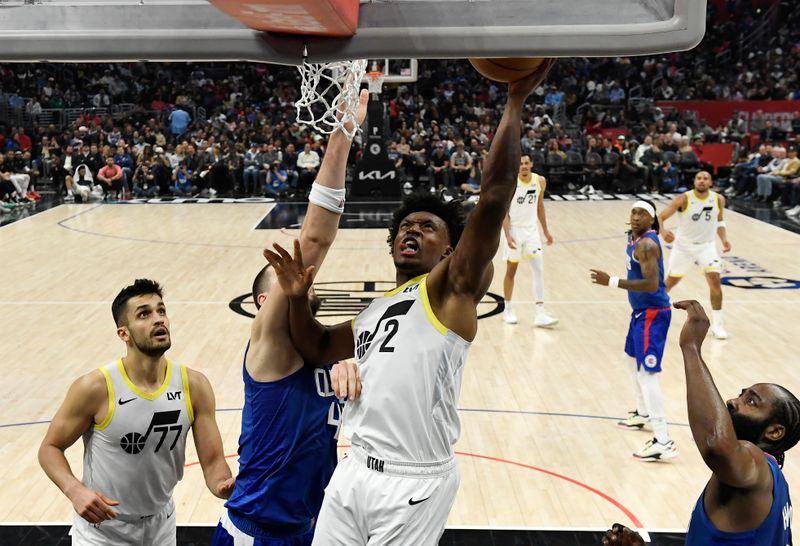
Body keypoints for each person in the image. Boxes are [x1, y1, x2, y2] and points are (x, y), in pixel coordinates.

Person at [263, 59, 556, 545]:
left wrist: (514, 103)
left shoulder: (452, 289)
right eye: (405, 226)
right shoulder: (376, 311)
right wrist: (296, 299)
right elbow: (316, 347)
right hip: (354, 466)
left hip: (414, 481)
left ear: (450, 249)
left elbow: (495, 194)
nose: (411, 231)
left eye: (427, 226)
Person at [212, 90, 368, 546]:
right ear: (265, 303)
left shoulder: (318, 348)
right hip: (256, 532)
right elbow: (315, 240)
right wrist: (343, 134)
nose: (305, 280)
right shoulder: (269, 346)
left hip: (311, 527)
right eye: (284, 281)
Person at [38, 279, 234, 545]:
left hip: (161, 526)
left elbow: (213, 464)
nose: (158, 319)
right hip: (102, 532)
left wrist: (225, 485)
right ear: (124, 333)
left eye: (161, 311)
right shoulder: (95, 388)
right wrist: (75, 490)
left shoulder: (194, 386)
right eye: (144, 314)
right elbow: (49, 448)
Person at [675, 300, 800, 544]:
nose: (732, 401)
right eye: (741, 394)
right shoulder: (773, 481)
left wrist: (691, 348)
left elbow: (716, 444)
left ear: (774, 432)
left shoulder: (754, 466)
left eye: (751, 402)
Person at [590, 199, 677, 461]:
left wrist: (612, 281)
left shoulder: (648, 245)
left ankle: (664, 441)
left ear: (653, 220)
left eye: (643, 213)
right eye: (634, 212)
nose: (637, 217)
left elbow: (651, 284)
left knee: (648, 374)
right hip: (640, 313)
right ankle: (643, 413)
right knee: (629, 359)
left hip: (653, 314)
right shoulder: (634, 238)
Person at [658, 171, 731, 340]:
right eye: (699, 178)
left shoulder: (719, 199)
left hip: (707, 246)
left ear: (710, 182)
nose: (701, 181)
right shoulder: (684, 198)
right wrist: (662, 231)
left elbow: (719, 221)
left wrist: (724, 240)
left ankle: (718, 325)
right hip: (684, 247)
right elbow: (660, 217)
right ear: (694, 181)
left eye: (705, 178)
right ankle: (653, 309)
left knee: (715, 281)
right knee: (671, 282)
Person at [501, 153, 557, 327]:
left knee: (539, 269)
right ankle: (508, 308)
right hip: (515, 231)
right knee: (511, 271)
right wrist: (508, 235)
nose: (524, 166)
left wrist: (546, 231)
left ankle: (540, 313)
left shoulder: (540, 181)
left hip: (532, 231)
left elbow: (540, 206)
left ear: (531, 163)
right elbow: (504, 212)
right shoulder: (510, 184)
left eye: (526, 163)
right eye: (520, 164)